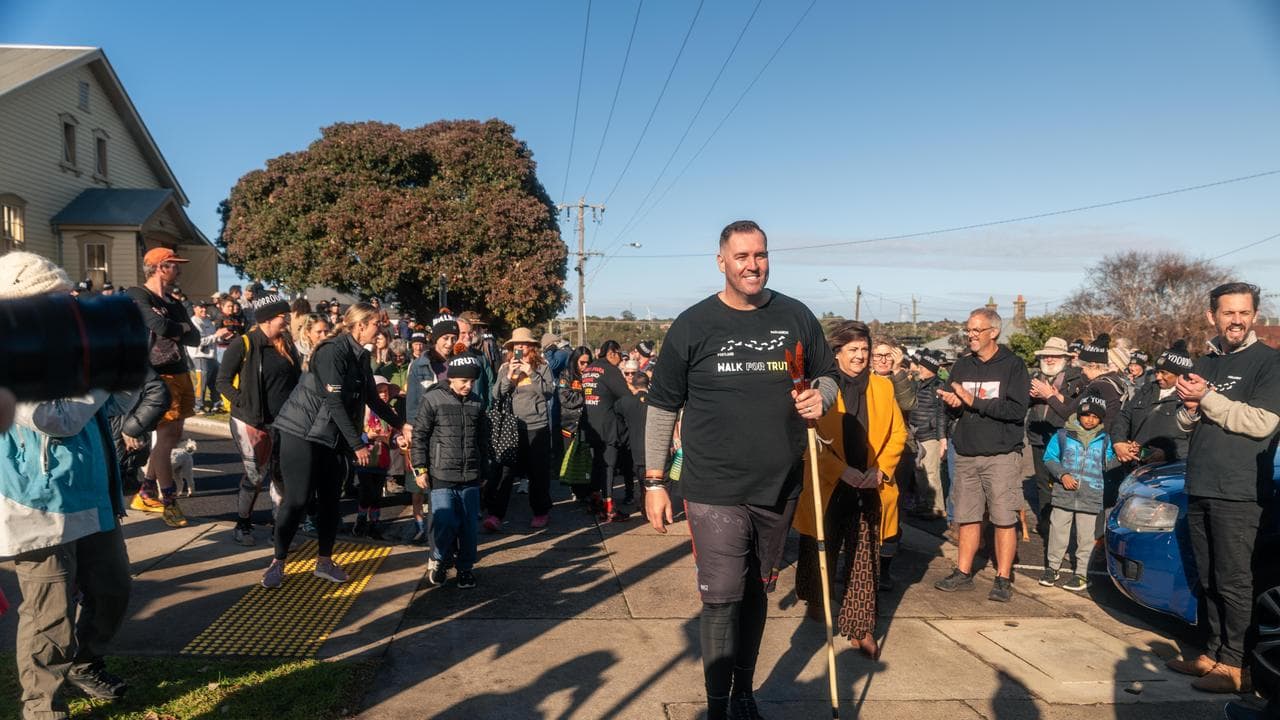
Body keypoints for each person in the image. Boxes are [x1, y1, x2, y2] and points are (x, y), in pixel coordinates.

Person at [644, 220, 837, 720]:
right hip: (713, 485)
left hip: (780, 484)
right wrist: (654, 481)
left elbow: (828, 376)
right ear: (721, 262)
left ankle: (744, 693)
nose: (753, 265)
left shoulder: (796, 315)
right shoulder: (693, 324)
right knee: (722, 595)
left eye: (761, 255)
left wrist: (822, 397)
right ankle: (716, 707)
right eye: (742, 256)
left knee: (756, 591)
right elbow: (662, 406)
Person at [0, 252, 134, 717]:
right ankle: (42, 709)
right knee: (49, 617)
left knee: (114, 590)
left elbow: (114, 404)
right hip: (37, 505)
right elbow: (55, 419)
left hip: (92, 494)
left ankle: (86, 661)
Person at [1167, 282, 1280, 693]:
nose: (1236, 320)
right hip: (1202, 483)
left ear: (1254, 316)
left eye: (1244, 313)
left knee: (1233, 581)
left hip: (1239, 489)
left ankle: (1236, 666)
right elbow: (1186, 423)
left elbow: (1262, 422)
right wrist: (1189, 407)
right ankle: (1212, 654)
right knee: (1209, 578)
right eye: (1228, 312)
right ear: (1211, 316)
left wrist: (1207, 399)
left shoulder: (1269, 361)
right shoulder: (1206, 361)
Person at [265, 302, 404, 589]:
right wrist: (357, 444)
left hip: (331, 436)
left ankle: (324, 562)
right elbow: (334, 401)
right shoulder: (333, 351)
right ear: (360, 325)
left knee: (331, 500)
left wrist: (401, 424)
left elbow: (372, 398)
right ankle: (278, 562)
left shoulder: (360, 355)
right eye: (376, 324)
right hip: (301, 432)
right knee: (298, 499)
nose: (381, 329)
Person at [794, 319, 906, 659]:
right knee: (819, 545)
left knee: (864, 556)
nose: (860, 356)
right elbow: (807, 440)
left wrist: (880, 471)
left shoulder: (884, 387)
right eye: (852, 349)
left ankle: (860, 627)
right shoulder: (820, 389)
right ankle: (817, 599)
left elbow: (898, 433)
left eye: (864, 349)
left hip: (870, 482)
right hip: (829, 482)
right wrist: (841, 471)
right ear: (837, 353)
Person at [933, 306, 1030, 602]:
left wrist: (973, 400)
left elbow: (1016, 410)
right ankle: (963, 573)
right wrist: (953, 404)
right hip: (966, 453)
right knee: (967, 517)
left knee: (1004, 518)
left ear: (994, 332)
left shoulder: (1013, 365)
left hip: (1001, 455)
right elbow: (955, 406)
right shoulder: (962, 366)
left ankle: (1002, 578)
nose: (971, 335)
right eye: (968, 330)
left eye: (977, 330)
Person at [216, 293, 302, 547]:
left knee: (280, 475)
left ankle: (279, 529)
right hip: (250, 422)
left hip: (283, 422)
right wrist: (244, 403)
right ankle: (242, 524)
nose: (287, 320)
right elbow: (222, 381)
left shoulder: (287, 344)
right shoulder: (244, 344)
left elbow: (296, 380)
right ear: (267, 319)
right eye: (283, 316)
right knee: (255, 476)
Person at [125, 247, 200, 528]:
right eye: (174, 265)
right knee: (167, 439)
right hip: (158, 376)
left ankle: (145, 492)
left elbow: (194, 337)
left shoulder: (174, 301)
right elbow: (157, 324)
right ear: (160, 267)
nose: (179, 269)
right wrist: (179, 328)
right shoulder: (137, 294)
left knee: (174, 435)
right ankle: (169, 501)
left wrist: (177, 328)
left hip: (180, 372)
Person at [412, 352, 490, 589]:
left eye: (472, 382)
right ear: (452, 378)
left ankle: (465, 568)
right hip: (441, 473)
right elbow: (420, 435)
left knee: (468, 526)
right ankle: (440, 558)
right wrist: (420, 468)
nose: (468, 386)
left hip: (470, 475)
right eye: (464, 381)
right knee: (444, 521)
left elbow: (483, 440)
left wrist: (484, 471)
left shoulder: (477, 403)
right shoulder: (433, 399)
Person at [1040, 395, 1118, 591]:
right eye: (1086, 415)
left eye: (1095, 417)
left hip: (1091, 496)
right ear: (1078, 415)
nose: (1090, 420)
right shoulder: (1062, 435)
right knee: (1058, 531)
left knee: (1086, 537)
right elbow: (1049, 458)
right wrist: (1062, 474)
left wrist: (1124, 457)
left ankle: (1082, 573)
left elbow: (1108, 464)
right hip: (1063, 494)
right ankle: (1052, 568)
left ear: (1101, 419)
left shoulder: (1106, 440)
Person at [483, 328, 556, 530]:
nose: (520, 347)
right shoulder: (506, 366)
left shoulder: (542, 367)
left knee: (537, 472)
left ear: (532, 346)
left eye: (524, 343)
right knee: (504, 472)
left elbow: (549, 392)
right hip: (511, 425)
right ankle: (495, 514)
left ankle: (540, 511)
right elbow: (496, 394)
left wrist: (531, 373)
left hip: (536, 425)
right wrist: (508, 376)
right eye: (516, 344)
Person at [402, 319, 459, 542]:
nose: (449, 343)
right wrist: (411, 429)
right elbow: (412, 403)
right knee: (428, 488)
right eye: (445, 338)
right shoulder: (420, 365)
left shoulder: (458, 362)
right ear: (435, 339)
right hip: (427, 432)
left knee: (448, 489)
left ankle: (447, 538)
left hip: (452, 432)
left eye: (453, 338)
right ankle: (432, 539)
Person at [1026, 336, 1088, 538]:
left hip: (1064, 438)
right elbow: (1022, 405)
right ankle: (1046, 525)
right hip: (1038, 436)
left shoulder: (1077, 378)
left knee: (1066, 480)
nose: (1049, 359)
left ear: (1065, 358)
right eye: (1046, 356)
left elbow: (1077, 408)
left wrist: (1051, 396)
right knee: (1043, 483)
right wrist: (1030, 397)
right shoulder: (1035, 377)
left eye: (1055, 356)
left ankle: (1067, 527)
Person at [1111, 340, 1193, 467]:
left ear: (1180, 375)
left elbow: (1194, 439)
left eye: (1164, 373)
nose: (1158, 377)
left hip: (1168, 469)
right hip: (1135, 465)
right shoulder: (1147, 389)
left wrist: (1167, 454)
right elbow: (1124, 416)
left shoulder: (1190, 399)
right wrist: (1119, 441)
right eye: (1157, 371)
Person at [581, 339, 632, 519]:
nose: (621, 359)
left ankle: (594, 500)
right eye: (620, 355)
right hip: (607, 426)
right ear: (611, 353)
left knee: (597, 463)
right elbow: (625, 394)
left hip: (591, 424)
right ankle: (609, 506)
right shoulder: (610, 370)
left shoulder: (589, 369)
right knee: (609, 464)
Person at [908, 350, 949, 520]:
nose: (919, 369)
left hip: (930, 436)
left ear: (931, 369)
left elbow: (941, 413)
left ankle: (937, 508)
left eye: (923, 367)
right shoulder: (918, 384)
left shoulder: (938, 386)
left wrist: (940, 436)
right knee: (920, 472)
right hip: (917, 434)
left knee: (931, 473)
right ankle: (924, 505)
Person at [614, 369, 651, 511]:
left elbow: (616, 414)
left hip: (634, 446)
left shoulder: (625, 402)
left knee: (640, 478)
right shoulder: (656, 400)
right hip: (654, 446)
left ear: (633, 385)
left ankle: (643, 503)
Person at [189, 301, 231, 415]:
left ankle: (216, 404)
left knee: (216, 382)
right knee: (201, 383)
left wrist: (222, 337)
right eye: (201, 307)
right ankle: (198, 406)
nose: (204, 310)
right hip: (200, 356)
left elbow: (213, 339)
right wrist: (216, 335)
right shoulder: (193, 322)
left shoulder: (208, 321)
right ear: (194, 308)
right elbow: (199, 341)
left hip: (212, 357)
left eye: (205, 307)